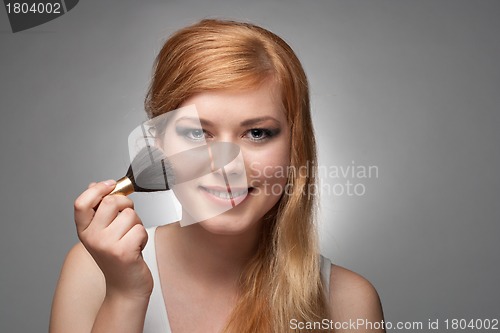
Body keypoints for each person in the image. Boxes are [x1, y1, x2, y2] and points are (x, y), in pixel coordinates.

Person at [49, 19, 385, 333]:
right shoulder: (93, 272)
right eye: (197, 133)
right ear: (158, 146)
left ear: (296, 146)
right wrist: (125, 296)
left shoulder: (349, 303)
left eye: (257, 133)